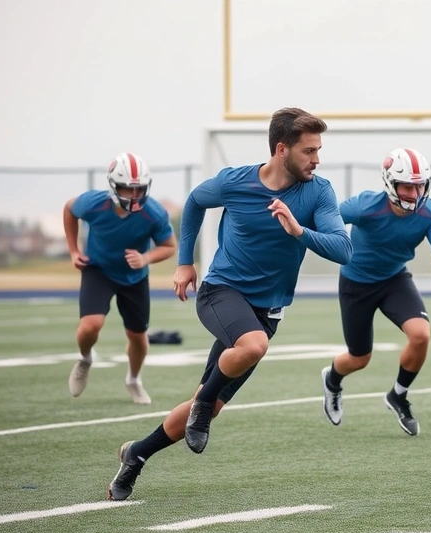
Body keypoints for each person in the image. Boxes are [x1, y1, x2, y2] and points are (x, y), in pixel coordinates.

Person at [107, 107, 352, 500]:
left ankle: (137, 454)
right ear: (281, 150)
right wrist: (185, 262)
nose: (316, 159)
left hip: (267, 311)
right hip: (221, 291)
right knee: (252, 347)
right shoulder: (235, 182)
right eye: (309, 151)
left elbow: (343, 249)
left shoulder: (319, 191)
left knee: (209, 402)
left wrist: (299, 231)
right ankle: (203, 404)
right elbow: (195, 202)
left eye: (318, 150)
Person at [320, 148, 431, 436]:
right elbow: (326, 216)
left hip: (394, 280)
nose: (414, 193)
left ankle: (398, 395)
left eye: (419, 186)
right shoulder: (364, 206)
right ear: (390, 184)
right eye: (407, 186)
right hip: (356, 283)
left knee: (421, 335)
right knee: (359, 358)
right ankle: (332, 379)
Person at [63, 152, 177, 405]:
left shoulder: (154, 213)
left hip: (134, 276)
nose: (134, 195)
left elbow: (170, 246)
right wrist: (73, 250)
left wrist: (145, 258)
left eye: (140, 189)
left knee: (138, 336)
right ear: (114, 186)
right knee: (90, 326)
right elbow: (69, 209)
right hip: (98, 269)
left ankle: (133, 380)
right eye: (128, 188)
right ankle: (85, 358)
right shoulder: (94, 203)